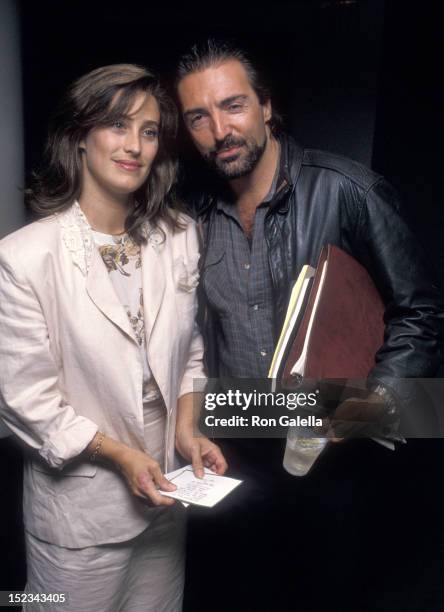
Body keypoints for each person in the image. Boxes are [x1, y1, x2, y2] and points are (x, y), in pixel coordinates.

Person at [175, 40, 444, 611]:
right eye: (199, 117)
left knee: (328, 592)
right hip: (238, 447)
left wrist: (365, 410)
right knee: (244, 590)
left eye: (233, 106)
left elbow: (420, 314)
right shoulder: (192, 216)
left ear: (266, 106)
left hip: (332, 450)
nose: (219, 129)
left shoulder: (348, 189)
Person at [0, 63, 227, 612]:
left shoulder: (178, 235)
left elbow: (191, 349)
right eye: (117, 126)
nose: (135, 146)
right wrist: (122, 456)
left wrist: (189, 431)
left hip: (167, 495)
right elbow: (26, 401)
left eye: (149, 131)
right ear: (79, 138)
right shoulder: (25, 257)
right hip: (81, 514)